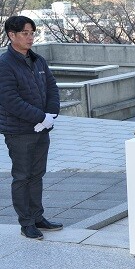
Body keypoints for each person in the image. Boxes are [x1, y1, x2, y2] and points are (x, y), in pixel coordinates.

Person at [0, 15, 63, 240]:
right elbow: (10, 100)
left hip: (41, 128)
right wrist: (40, 117)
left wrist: (51, 114)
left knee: (37, 175)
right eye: (25, 33)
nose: (30, 38)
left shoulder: (38, 60)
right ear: (12, 35)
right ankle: (26, 222)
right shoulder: (4, 64)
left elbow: (52, 88)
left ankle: (38, 217)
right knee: (22, 176)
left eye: (32, 33)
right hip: (19, 131)